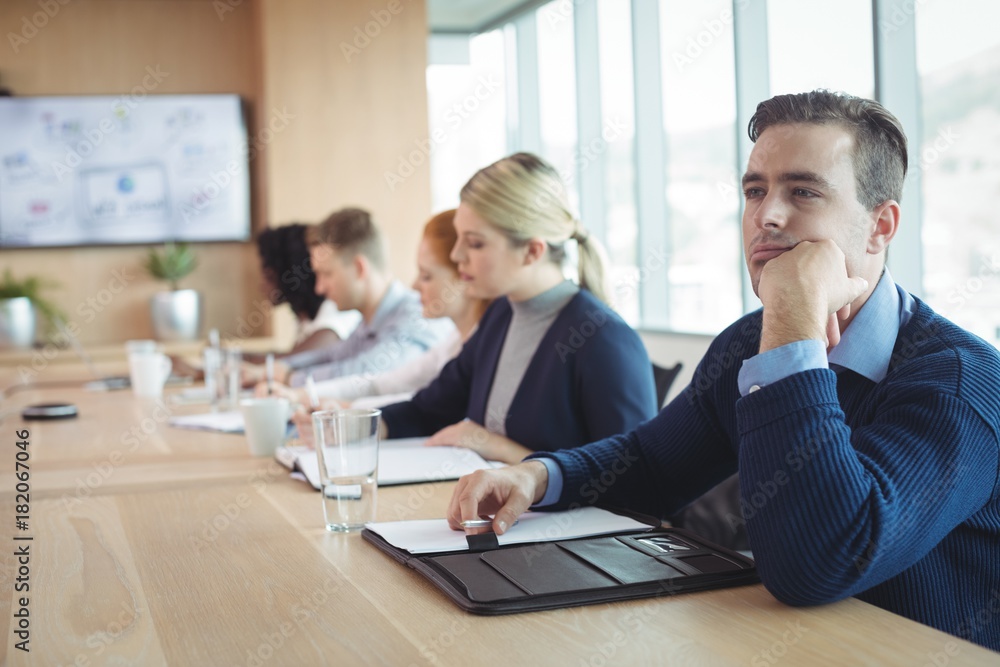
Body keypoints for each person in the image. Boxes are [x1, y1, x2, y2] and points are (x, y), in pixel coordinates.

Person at [446, 91, 1000, 650]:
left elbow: (816, 563)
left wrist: (792, 322)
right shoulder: (748, 341)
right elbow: (651, 464)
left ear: (881, 226)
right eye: (755, 190)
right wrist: (538, 477)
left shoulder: (959, 382)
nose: (766, 216)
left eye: (803, 191)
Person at [378, 153, 659, 464]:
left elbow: (632, 480)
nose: (457, 255)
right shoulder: (500, 315)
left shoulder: (603, 339)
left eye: (474, 243)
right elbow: (428, 409)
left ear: (532, 251)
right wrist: (359, 427)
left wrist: (501, 449)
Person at [261, 209, 489, 408]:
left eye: (326, 273)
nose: (319, 288)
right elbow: (366, 376)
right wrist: (286, 377)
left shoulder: (416, 317)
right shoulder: (367, 322)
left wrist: (292, 380)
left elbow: (372, 375)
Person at [243, 223, 361, 364]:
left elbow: (293, 361)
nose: (261, 285)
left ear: (290, 275)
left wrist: (234, 358)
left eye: (268, 276)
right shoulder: (307, 317)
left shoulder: (337, 311)